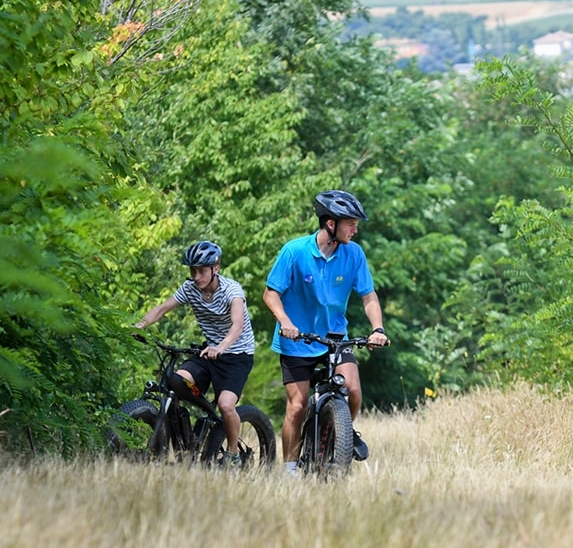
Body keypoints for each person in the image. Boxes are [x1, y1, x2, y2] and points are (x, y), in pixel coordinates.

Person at [263, 190, 388, 476]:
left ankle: (341, 433)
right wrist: (285, 322)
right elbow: (271, 295)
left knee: (353, 390)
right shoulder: (294, 251)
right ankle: (290, 471)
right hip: (298, 339)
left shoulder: (353, 253)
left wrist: (377, 329)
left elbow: (368, 297)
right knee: (296, 406)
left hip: (334, 336)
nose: (355, 229)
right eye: (351, 223)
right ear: (331, 224)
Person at [135, 241, 255, 468]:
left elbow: (237, 324)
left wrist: (221, 347)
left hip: (236, 354)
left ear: (216, 269)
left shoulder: (232, 291)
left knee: (226, 405)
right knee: (177, 382)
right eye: (193, 271)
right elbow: (161, 309)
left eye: (201, 271)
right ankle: (184, 443)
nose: (196, 276)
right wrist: (138, 327)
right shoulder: (190, 288)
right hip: (208, 352)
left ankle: (232, 455)